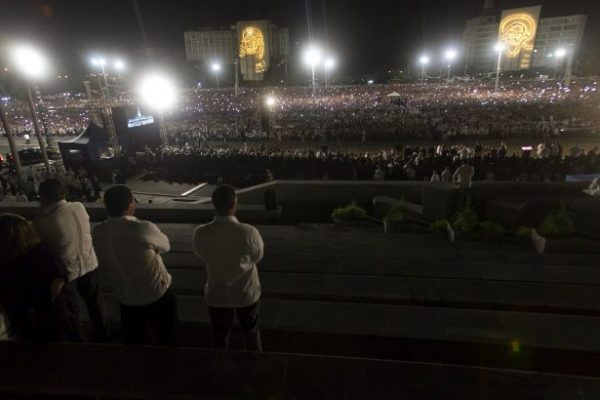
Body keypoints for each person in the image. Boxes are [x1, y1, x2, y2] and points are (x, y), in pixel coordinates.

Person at [92, 185, 177, 346]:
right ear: (130, 204)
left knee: (134, 344)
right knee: (168, 340)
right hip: (157, 294)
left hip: (126, 298)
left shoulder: (98, 232)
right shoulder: (143, 227)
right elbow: (166, 246)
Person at [35, 178, 109, 342]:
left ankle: (77, 340)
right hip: (90, 263)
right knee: (96, 304)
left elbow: (39, 240)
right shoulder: (79, 207)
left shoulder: (45, 221)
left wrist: (41, 211)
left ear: (44, 197)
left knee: (71, 310)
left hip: (67, 272)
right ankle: (102, 334)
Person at [192, 185, 264, 351]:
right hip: (246, 293)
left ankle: (220, 367)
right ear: (233, 205)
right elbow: (258, 256)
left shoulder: (201, 233)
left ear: (215, 204)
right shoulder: (248, 232)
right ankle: (254, 365)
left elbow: (201, 254)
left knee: (220, 334)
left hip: (217, 292)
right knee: (251, 332)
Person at [0, 213, 71, 342]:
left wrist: (45, 305)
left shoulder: (39, 252)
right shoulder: (40, 250)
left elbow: (58, 277)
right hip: (31, 313)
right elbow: (60, 276)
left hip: (37, 313)